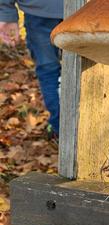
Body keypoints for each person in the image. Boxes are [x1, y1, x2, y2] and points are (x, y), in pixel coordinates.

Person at [0, 0, 63, 136]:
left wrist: (6, 12)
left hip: (40, 9)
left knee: (49, 70)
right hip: (82, 9)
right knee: (84, 67)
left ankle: (61, 130)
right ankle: (65, 129)